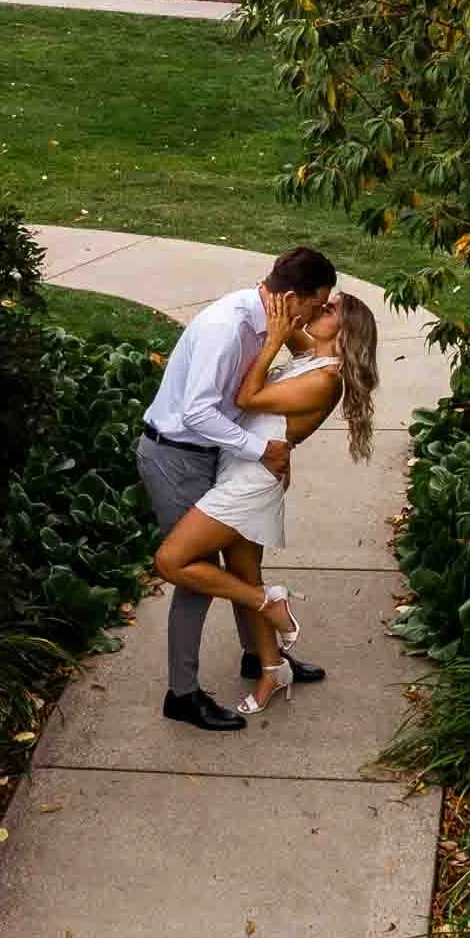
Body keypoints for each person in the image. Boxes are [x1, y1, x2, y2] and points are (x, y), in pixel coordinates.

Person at [136, 246, 337, 731]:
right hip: (176, 457)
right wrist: (260, 449)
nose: (315, 316)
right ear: (291, 297)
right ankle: (181, 694)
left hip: (218, 456)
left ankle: (260, 656)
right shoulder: (227, 329)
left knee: (245, 560)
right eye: (315, 305)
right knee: (196, 574)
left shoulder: (268, 322)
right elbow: (196, 413)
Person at [155, 287, 380, 716]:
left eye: (330, 308)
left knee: (171, 561)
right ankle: (271, 667)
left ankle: (269, 604)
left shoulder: (323, 378)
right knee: (244, 573)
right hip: (241, 467)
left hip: (249, 483)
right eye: (321, 300)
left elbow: (246, 398)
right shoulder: (313, 357)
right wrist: (283, 312)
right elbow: (288, 314)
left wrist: (274, 340)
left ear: (345, 330)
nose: (321, 307)